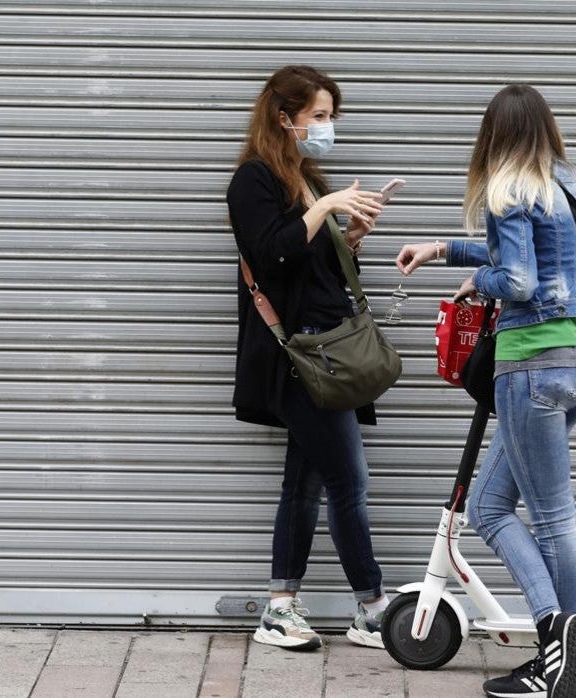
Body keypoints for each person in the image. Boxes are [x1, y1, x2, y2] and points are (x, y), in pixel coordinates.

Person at [396, 84, 576, 698]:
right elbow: (540, 261)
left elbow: (515, 276)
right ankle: (564, 655)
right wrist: (443, 250)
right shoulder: (572, 185)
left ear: (494, 134)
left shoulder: (507, 187)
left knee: (551, 517)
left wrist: (479, 280)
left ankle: (554, 643)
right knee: (488, 507)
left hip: (528, 366)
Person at [226, 65, 390, 651]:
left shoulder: (308, 180)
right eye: (318, 116)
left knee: (307, 481)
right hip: (297, 354)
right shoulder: (254, 181)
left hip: (327, 350)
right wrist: (323, 210)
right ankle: (372, 607)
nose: (326, 127)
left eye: (330, 117)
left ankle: (280, 605)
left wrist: (349, 239)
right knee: (348, 478)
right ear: (283, 118)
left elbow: (315, 272)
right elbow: (271, 256)